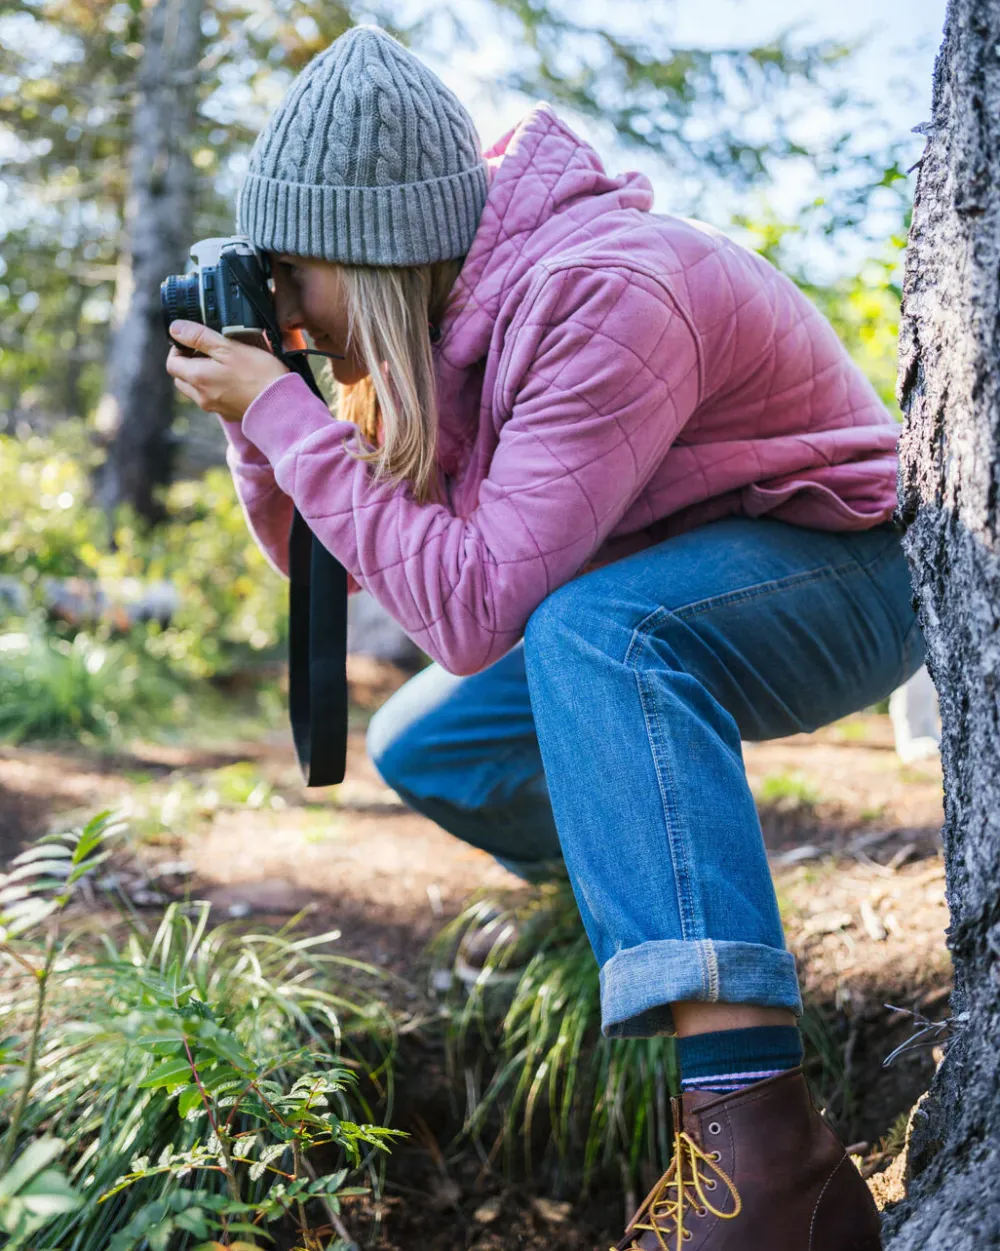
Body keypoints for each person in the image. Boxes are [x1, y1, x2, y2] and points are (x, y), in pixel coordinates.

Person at [166, 25, 919, 1249]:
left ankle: (762, 1146)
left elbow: (471, 609)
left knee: (590, 632)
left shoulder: (599, 293)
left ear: (370, 256)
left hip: (851, 572)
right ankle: (675, 927)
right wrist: (270, 421)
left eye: (289, 275)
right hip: (686, 590)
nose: (282, 305)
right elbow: (370, 573)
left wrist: (287, 413)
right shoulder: (453, 322)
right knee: (434, 744)